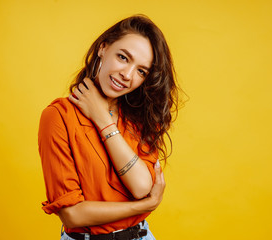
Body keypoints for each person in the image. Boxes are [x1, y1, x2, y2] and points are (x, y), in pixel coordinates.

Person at [38, 15, 178, 240]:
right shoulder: (58, 116)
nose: (127, 75)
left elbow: (141, 186)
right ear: (104, 48)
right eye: (123, 57)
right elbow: (72, 215)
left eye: (141, 71)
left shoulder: (140, 116)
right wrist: (145, 206)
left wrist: (102, 119)